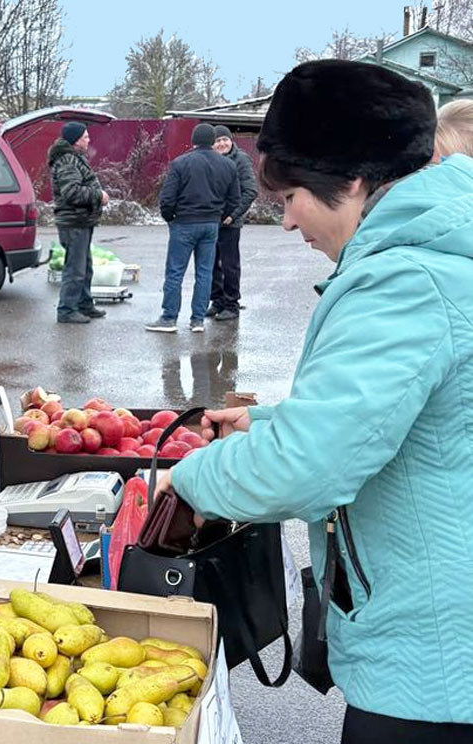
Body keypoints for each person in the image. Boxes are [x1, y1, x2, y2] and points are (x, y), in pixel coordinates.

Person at [154, 61, 473, 743]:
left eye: (293, 194)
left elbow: (308, 468)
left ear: (354, 180)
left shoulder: (405, 279)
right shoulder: (446, 250)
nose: (289, 219)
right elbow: (424, 422)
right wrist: (270, 422)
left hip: (436, 665)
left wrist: (188, 476)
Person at [147, 123, 240, 333]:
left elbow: (168, 198)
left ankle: (169, 318)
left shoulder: (181, 163)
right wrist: (221, 215)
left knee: (175, 272)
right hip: (211, 225)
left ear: (194, 140)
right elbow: (234, 199)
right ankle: (197, 320)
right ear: (212, 140)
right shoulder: (227, 165)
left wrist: (170, 217)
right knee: (205, 273)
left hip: (184, 223)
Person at [49, 121, 109, 324]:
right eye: (85, 137)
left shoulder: (75, 158)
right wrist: (98, 195)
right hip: (73, 221)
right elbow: (71, 192)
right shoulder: (67, 161)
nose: (88, 140)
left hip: (81, 220)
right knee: (75, 268)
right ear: (75, 140)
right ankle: (66, 310)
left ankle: (84, 304)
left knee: (85, 266)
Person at [207, 125, 257, 321]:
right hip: (210, 221)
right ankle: (217, 301)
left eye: (224, 139)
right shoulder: (208, 160)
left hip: (230, 222)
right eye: (217, 141)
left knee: (229, 265)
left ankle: (231, 304)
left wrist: (233, 215)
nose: (221, 143)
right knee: (211, 263)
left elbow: (250, 190)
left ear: (231, 140)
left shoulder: (241, 159)